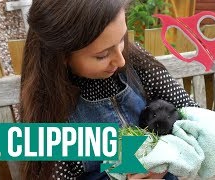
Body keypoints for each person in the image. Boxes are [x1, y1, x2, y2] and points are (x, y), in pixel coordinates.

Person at [20, 0, 198, 179]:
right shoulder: (50, 112)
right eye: (102, 55)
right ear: (62, 56)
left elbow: (194, 117)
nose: (121, 61)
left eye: (122, 39)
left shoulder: (137, 63)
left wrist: (164, 159)